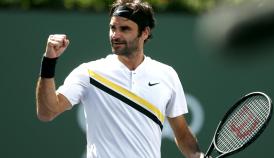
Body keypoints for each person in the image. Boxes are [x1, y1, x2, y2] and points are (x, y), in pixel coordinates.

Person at [36, 0, 208, 158]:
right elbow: (47, 112)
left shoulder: (166, 74)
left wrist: (199, 156)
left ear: (145, 33)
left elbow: (182, 134)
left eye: (124, 29)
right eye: (112, 28)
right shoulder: (89, 73)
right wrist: (49, 61)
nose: (115, 35)